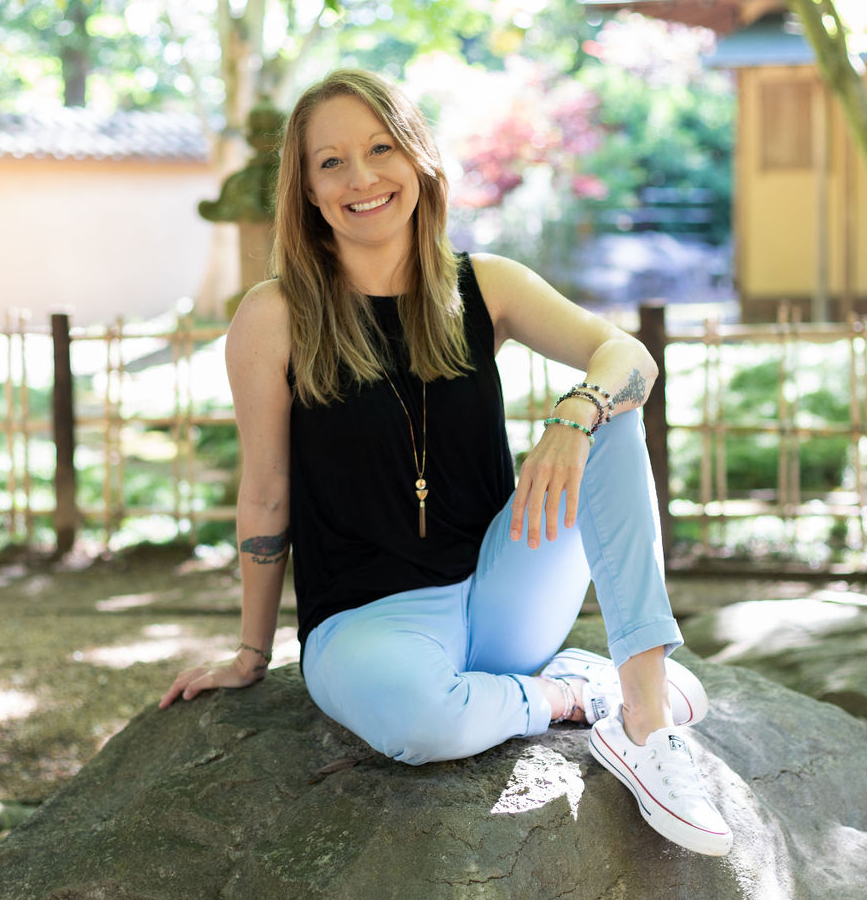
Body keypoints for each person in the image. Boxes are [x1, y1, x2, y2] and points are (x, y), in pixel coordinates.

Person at [159, 69, 732, 857]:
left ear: (419, 160)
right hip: (368, 628)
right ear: (309, 192)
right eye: (332, 163)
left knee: (613, 422)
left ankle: (644, 721)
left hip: (502, 597)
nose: (362, 177)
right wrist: (254, 656)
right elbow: (265, 497)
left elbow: (625, 354)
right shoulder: (274, 315)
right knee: (426, 723)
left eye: (380, 147)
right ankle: (564, 694)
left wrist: (576, 414)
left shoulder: (484, 286)